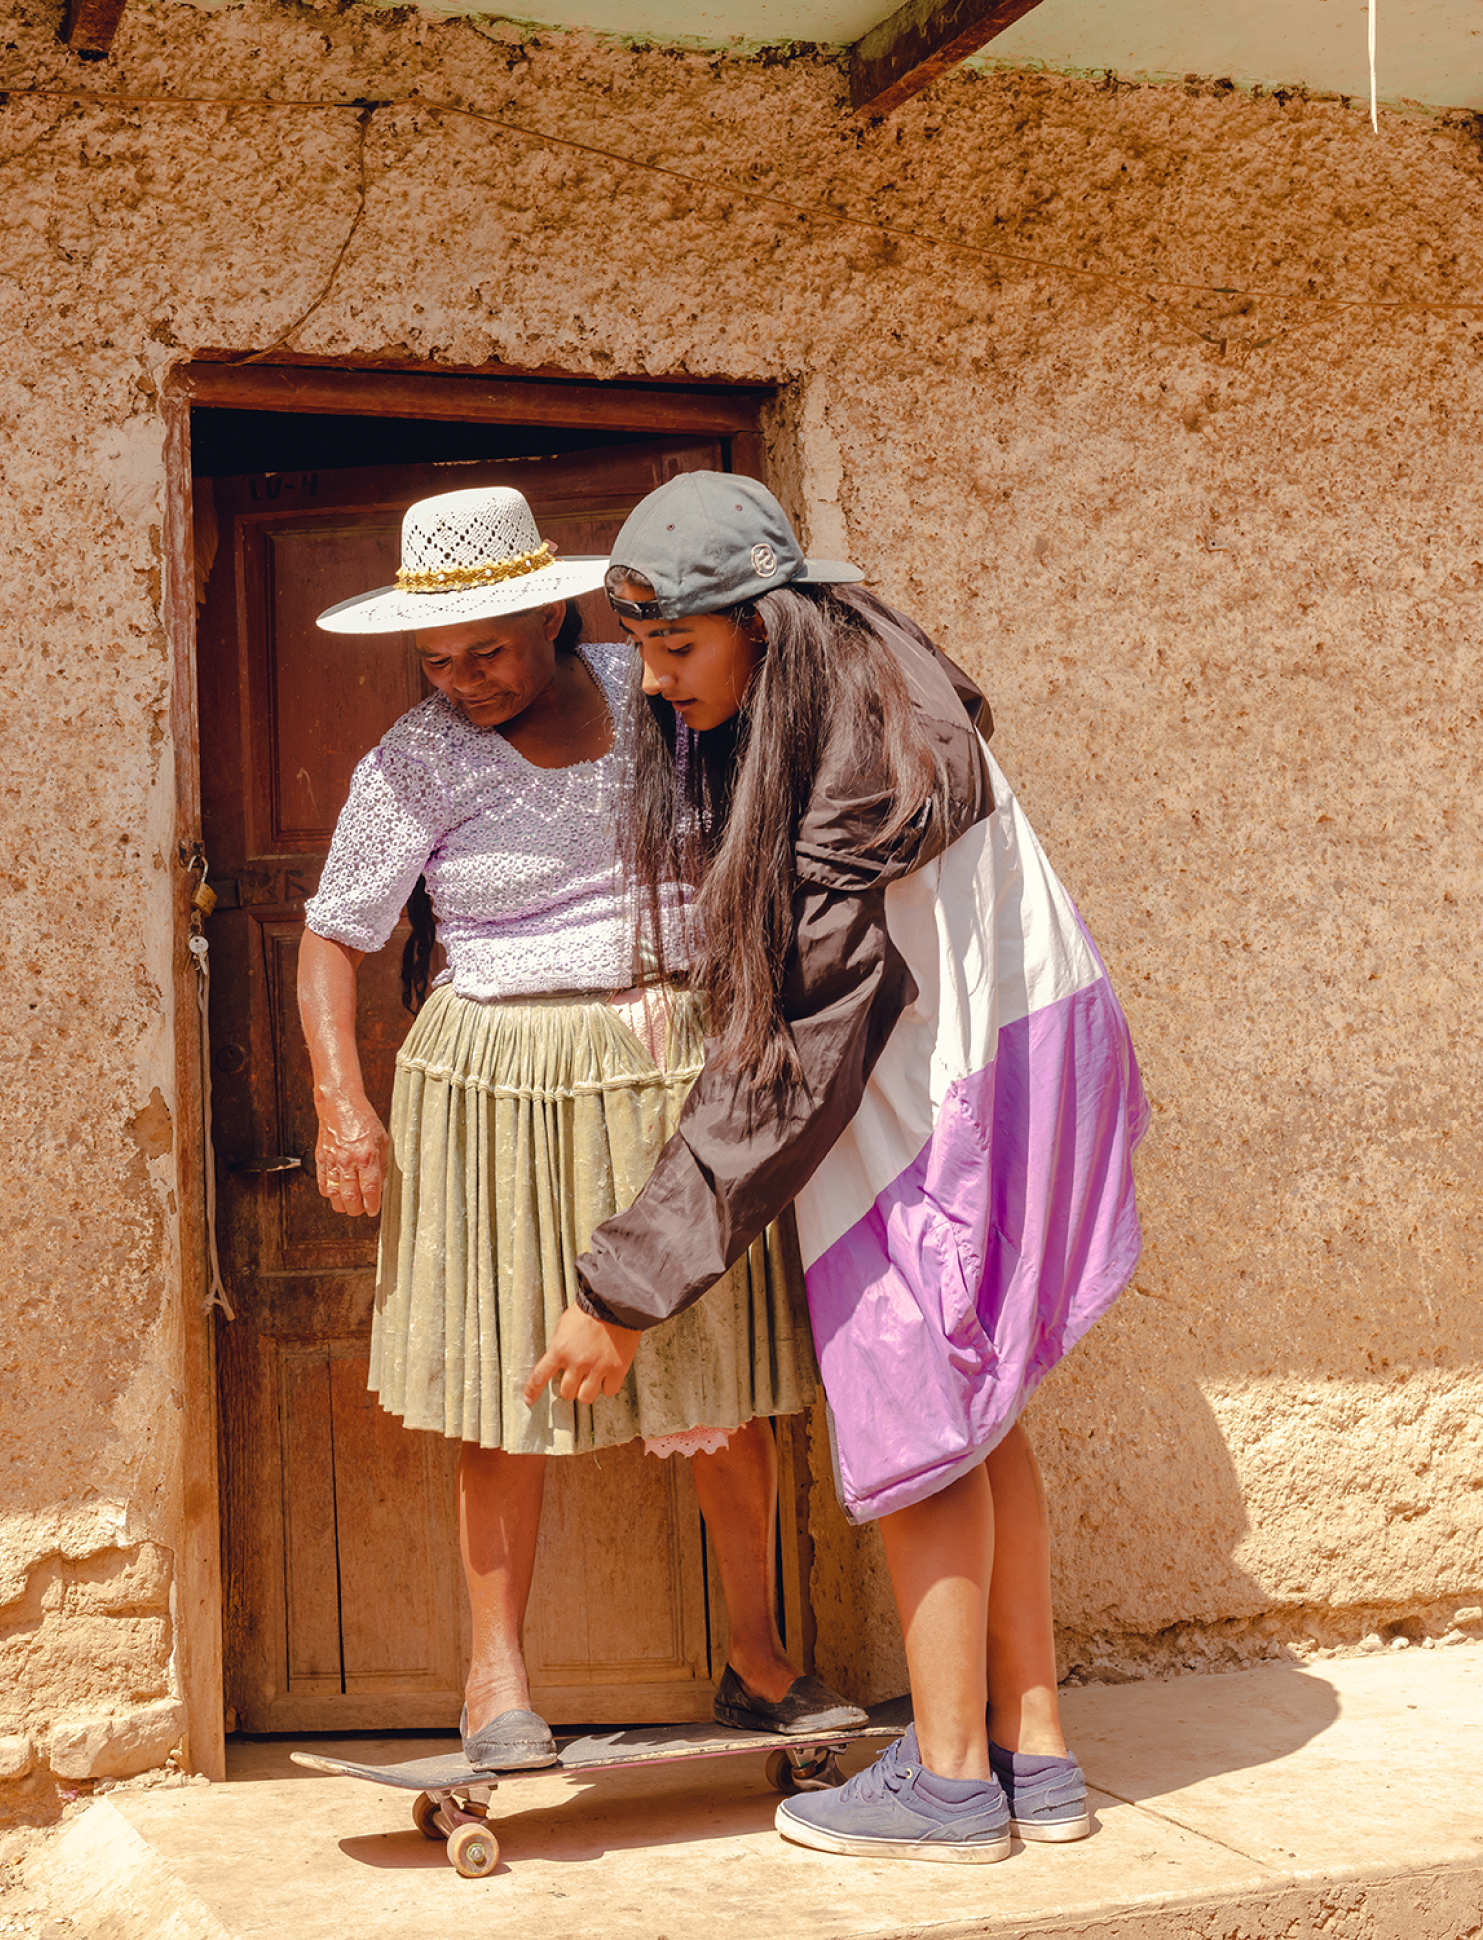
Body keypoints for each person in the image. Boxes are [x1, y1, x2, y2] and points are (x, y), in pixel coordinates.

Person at [527, 472, 1147, 1860]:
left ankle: (943, 1786)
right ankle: (1033, 1758)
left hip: (941, 1105)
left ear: (764, 619)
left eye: (677, 646)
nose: (653, 679)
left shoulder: (854, 772)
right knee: (987, 1418)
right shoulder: (873, 681)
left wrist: (623, 1288)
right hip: (1036, 1059)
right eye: (639, 647)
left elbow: (796, 1061)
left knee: (921, 1425)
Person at [298, 484, 863, 1772]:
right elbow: (335, 935)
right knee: (505, 1379)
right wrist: (344, 1104)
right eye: (435, 659)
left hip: (675, 1060)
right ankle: (494, 1680)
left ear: (551, 608)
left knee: (714, 1368)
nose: (464, 681)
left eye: (486, 649)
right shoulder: (415, 760)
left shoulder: (657, 688)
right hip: (497, 1077)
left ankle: (758, 1657)